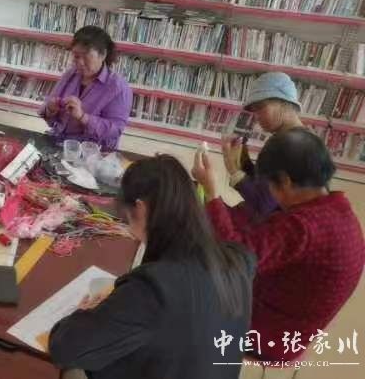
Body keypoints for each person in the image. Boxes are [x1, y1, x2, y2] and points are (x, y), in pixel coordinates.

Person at [49, 155, 255, 379]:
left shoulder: (154, 289)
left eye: (126, 217)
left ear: (140, 209)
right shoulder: (238, 260)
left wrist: (84, 312)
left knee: (73, 368)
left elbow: (64, 348)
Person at [193, 128, 365, 362]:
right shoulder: (336, 210)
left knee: (179, 292)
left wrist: (212, 194)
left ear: (285, 181)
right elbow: (265, 231)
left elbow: (234, 257)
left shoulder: (304, 227)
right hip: (287, 323)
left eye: (270, 186)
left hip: (268, 337)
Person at [223, 71, 303, 222]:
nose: (256, 116)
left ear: (283, 102)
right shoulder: (301, 138)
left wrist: (234, 171)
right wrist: (243, 160)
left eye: (260, 107)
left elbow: (262, 205)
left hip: (280, 228)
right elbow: (265, 184)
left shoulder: (287, 145)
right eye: (254, 110)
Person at [41, 26, 132, 152]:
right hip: (61, 142)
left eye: (86, 56)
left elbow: (115, 131)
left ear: (103, 54)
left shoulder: (118, 87)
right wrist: (50, 109)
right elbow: (48, 114)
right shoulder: (70, 74)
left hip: (93, 152)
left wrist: (83, 117)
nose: (80, 63)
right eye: (76, 56)